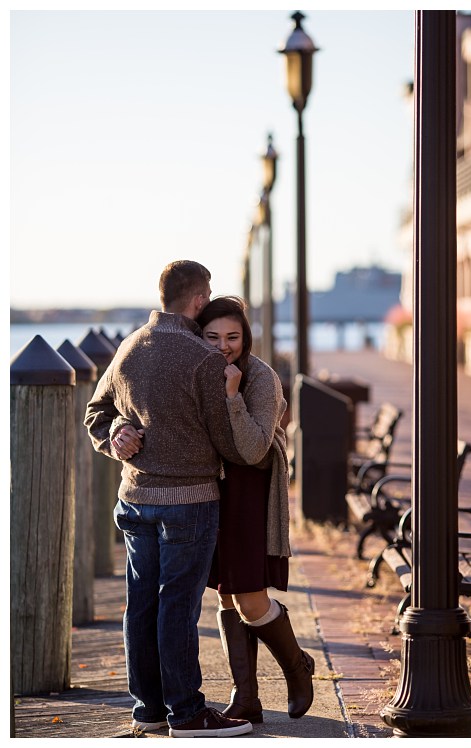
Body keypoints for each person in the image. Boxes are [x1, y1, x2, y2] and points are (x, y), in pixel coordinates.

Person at [85, 261, 253, 738]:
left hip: (136, 499)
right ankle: (187, 711)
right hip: (190, 502)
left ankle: (149, 709)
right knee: (177, 606)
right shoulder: (204, 360)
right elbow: (228, 442)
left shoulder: (130, 347)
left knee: (141, 604)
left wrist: (116, 429)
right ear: (199, 300)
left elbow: (96, 411)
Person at [198, 296, 314, 722]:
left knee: (250, 596)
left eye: (232, 336)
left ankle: (297, 666)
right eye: (212, 336)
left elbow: (250, 448)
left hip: (250, 491)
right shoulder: (199, 369)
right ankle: (245, 698)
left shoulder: (260, 379)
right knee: (228, 594)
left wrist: (231, 395)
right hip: (211, 491)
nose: (222, 345)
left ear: (245, 337)